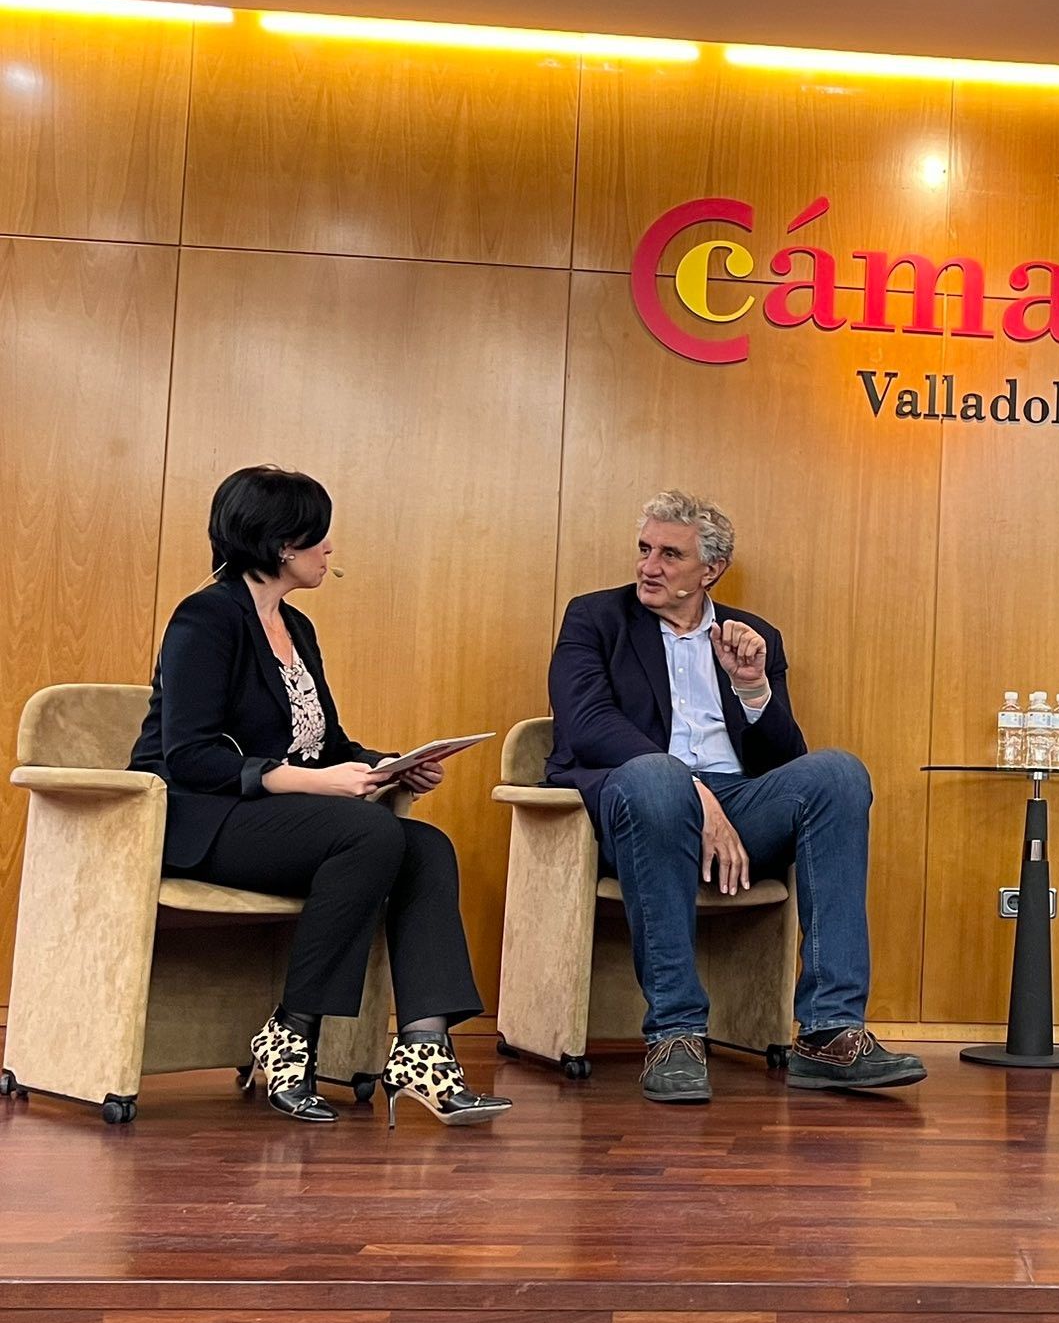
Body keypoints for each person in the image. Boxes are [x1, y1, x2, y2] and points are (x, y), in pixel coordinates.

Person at [128, 466, 509, 1129]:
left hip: (278, 817)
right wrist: (318, 782)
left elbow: (326, 743)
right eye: (320, 537)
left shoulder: (296, 627)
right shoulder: (206, 618)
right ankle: (292, 1036)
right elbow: (189, 756)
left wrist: (389, 766)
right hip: (201, 819)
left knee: (423, 844)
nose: (330, 550)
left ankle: (423, 1048)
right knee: (371, 834)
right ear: (282, 544)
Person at [545, 490, 925, 1102]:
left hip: (738, 805)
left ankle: (829, 1032)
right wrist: (694, 791)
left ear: (710, 570)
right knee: (658, 779)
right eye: (645, 549)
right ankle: (674, 1033)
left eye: (670, 554)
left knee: (838, 774)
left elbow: (783, 762)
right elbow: (585, 726)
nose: (648, 566)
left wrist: (752, 689)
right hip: (636, 802)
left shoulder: (753, 639)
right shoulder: (595, 619)